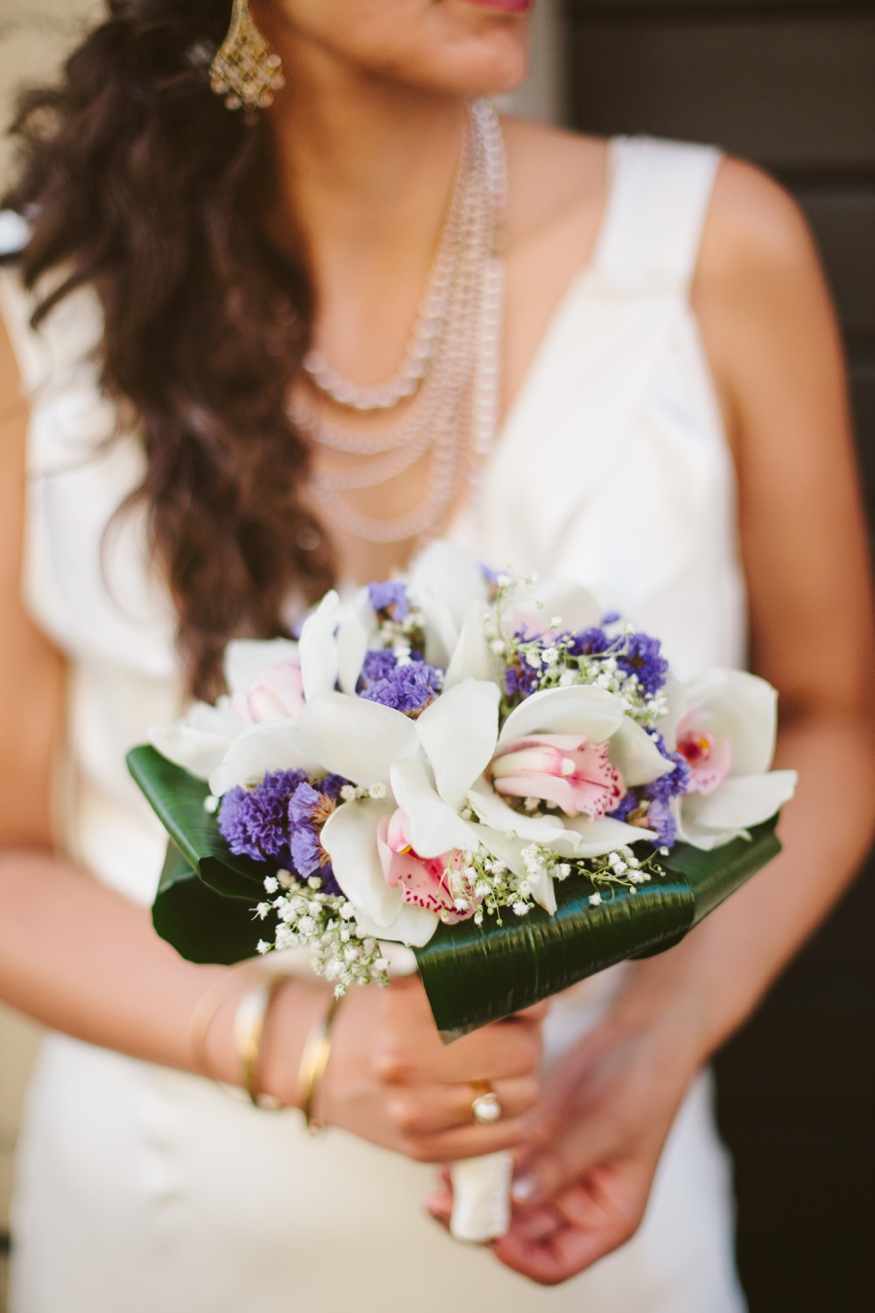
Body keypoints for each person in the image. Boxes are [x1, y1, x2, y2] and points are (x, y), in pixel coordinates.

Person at [0, 1, 872, 1309]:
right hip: (166, 1219)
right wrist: (302, 1044)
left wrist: (658, 1034)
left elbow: (835, 721)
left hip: (585, 1203)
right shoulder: (45, 297)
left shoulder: (715, 247)